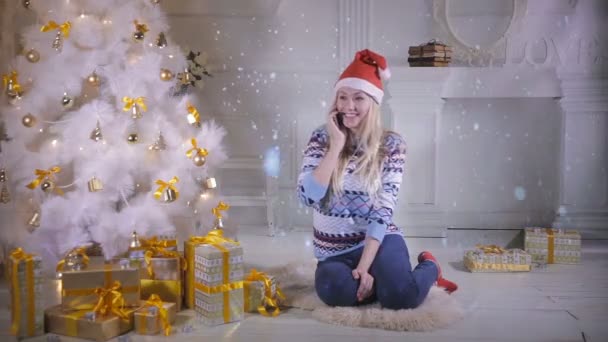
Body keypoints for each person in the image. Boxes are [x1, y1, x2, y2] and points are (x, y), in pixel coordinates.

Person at [296, 49, 458, 309]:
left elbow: (383, 210)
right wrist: (336, 146)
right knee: (333, 292)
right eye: (342, 97)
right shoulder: (322, 138)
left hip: (378, 241)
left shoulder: (392, 145)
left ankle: (430, 268)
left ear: (373, 102)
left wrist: (364, 266)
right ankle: (382, 284)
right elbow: (306, 196)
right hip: (333, 251)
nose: (348, 106)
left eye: (358, 98)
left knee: (401, 298)